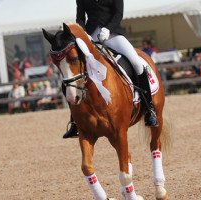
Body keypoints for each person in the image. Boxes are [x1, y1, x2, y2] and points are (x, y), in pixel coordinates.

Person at [63, 0, 158, 138]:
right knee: (74, 70)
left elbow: (118, 13)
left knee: (137, 63)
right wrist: (83, 33)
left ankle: (149, 109)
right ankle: (75, 121)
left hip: (113, 34)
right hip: (90, 37)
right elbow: (80, 18)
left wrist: (108, 29)